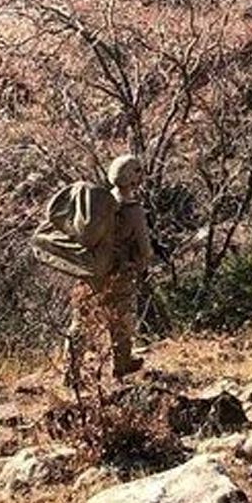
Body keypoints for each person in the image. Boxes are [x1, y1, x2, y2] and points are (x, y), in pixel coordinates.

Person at [64, 155, 154, 381]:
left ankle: (70, 371)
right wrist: (141, 264)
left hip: (91, 270)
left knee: (80, 321)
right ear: (132, 178)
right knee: (121, 319)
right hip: (118, 273)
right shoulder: (133, 210)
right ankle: (122, 365)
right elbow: (145, 250)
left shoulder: (99, 204)